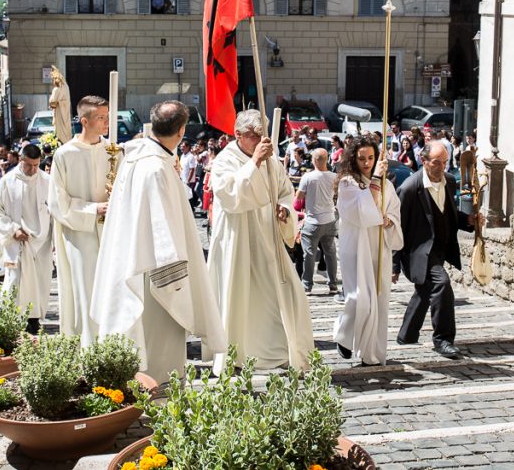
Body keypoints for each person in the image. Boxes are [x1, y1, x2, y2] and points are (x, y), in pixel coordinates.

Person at [91, 100, 227, 382]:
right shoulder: (156, 169)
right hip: (155, 277)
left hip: (132, 263)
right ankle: (160, 404)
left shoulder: (135, 159)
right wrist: (177, 285)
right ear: (180, 131)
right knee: (160, 350)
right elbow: (163, 233)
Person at [208, 109, 314, 370]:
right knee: (238, 297)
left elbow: (285, 192)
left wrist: (284, 209)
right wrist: (254, 162)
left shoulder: (273, 162)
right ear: (238, 135)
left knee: (288, 292)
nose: (259, 141)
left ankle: (282, 349)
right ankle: (235, 354)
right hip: (238, 239)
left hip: (267, 238)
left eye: (261, 135)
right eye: (254, 136)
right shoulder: (225, 160)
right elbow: (231, 196)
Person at [393, 141, 481, 359]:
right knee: (441, 285)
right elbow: (398, 227)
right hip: (418, 253)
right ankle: (443, 339)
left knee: (425, 290)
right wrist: (393, 264)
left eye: (444, 162)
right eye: (436, 162)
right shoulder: (409, 189)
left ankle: (407, 334)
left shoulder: (450, 182)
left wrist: (469, 221)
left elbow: (449, 215)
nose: (441, 167)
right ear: (424, 161)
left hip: (441, 248)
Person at [333, 134, 403, 366]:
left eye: (371, 158)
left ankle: (371, 352)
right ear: (354, 159)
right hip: (357, 245)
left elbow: (393, 209)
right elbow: (362, 212)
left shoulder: (387, 184)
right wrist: (374, 180)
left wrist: (389, 220)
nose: (367, 162)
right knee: (359, 298)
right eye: (362, 158)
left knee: (379, 300)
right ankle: (344, 336)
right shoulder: (347, 183)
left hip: (378, 245)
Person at [48, 95, 112, 345]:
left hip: (110, 234)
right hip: (80, 236)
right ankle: (88, 349)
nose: (107, 122)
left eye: (107, 117)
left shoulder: (113, 150)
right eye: (101, 118)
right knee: (86, 291)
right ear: (84, 121)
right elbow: (57, 202)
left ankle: (112, 346)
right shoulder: (64, 155)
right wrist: (94, 209)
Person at [0, 143, 54, 333]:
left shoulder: (47, 181)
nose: (34, 169)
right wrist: (12, 229)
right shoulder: (7, 182)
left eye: (37, 165)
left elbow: (53, 211)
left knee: (39, 281)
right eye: (29, 165)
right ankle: (11, 320)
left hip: (41, 242)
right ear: (21, 159)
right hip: (16, 241)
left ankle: (34, 320)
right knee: (15, 281)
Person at [296, 148, 339, 294]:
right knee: (331, 253)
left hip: (313, 220)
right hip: (330, 219)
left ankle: (307, 285)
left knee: (309, 254)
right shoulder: (334, 176)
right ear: (327, 160)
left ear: (314, 160)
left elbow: (299, 197)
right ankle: (333, 284)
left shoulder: (308, 177)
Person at [49, 66, 73, 142]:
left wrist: (52, 104)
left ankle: (62, 142)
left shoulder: (56, 89)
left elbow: (52, 102)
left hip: (60, 112)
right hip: (65, 111)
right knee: (66, 129)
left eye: (53, 79)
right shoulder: (66, 87)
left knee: (61, 132)